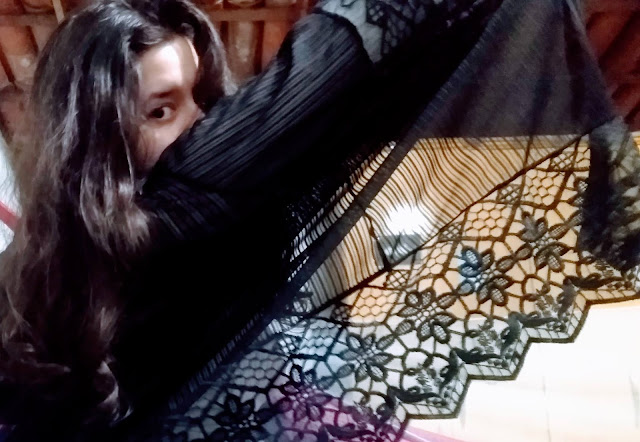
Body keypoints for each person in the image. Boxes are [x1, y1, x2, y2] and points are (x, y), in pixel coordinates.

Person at [1, 0, 639, 441]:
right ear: (96, 136)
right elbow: (328, 64)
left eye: (201, 97)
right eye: (160, 110)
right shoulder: (165, 207)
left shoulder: (158, 209)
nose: (200, 124)